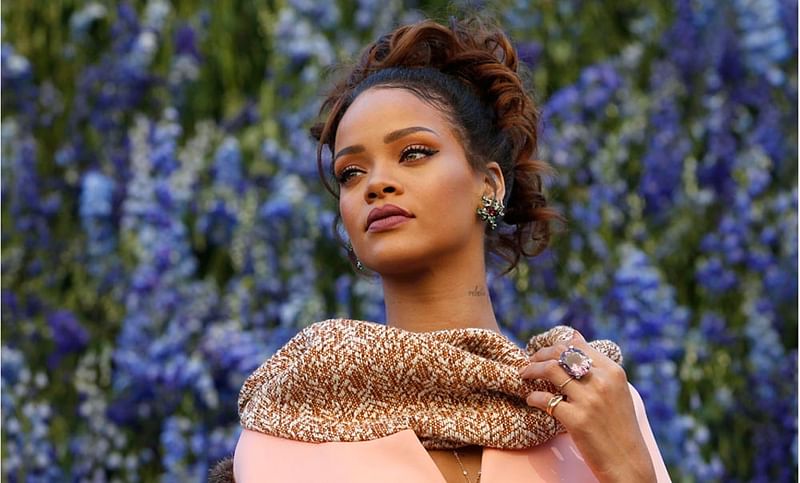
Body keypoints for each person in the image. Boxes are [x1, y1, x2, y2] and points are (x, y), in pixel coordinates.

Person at [212, 15, 671, 483]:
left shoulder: (593, 403)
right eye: (351, 172)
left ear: (489, 185)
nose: (377, 184)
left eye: (413, 153)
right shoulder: (287, 427)